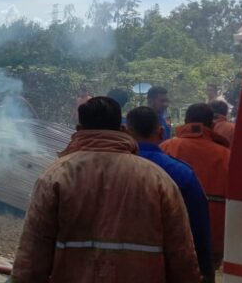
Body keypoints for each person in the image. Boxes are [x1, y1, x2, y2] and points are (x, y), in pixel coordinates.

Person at [12, 97, 199, 282]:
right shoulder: (157, 178)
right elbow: (181, 253)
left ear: (78, 130)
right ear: (122, 129)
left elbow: (33, 253)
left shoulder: (56, 176)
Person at [127, 107, 214, 282]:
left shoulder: (106, 170)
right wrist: (205, 270)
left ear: (126, 132)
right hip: (164, 268)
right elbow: (198, 227)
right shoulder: (181, 173)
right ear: (160, 132)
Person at [161, 103, 230, 268]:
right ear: (212, 125)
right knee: (207, 271)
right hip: (213, 234)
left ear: (185, 122)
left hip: (173, 231)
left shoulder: (167, 147)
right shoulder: (226, 155)